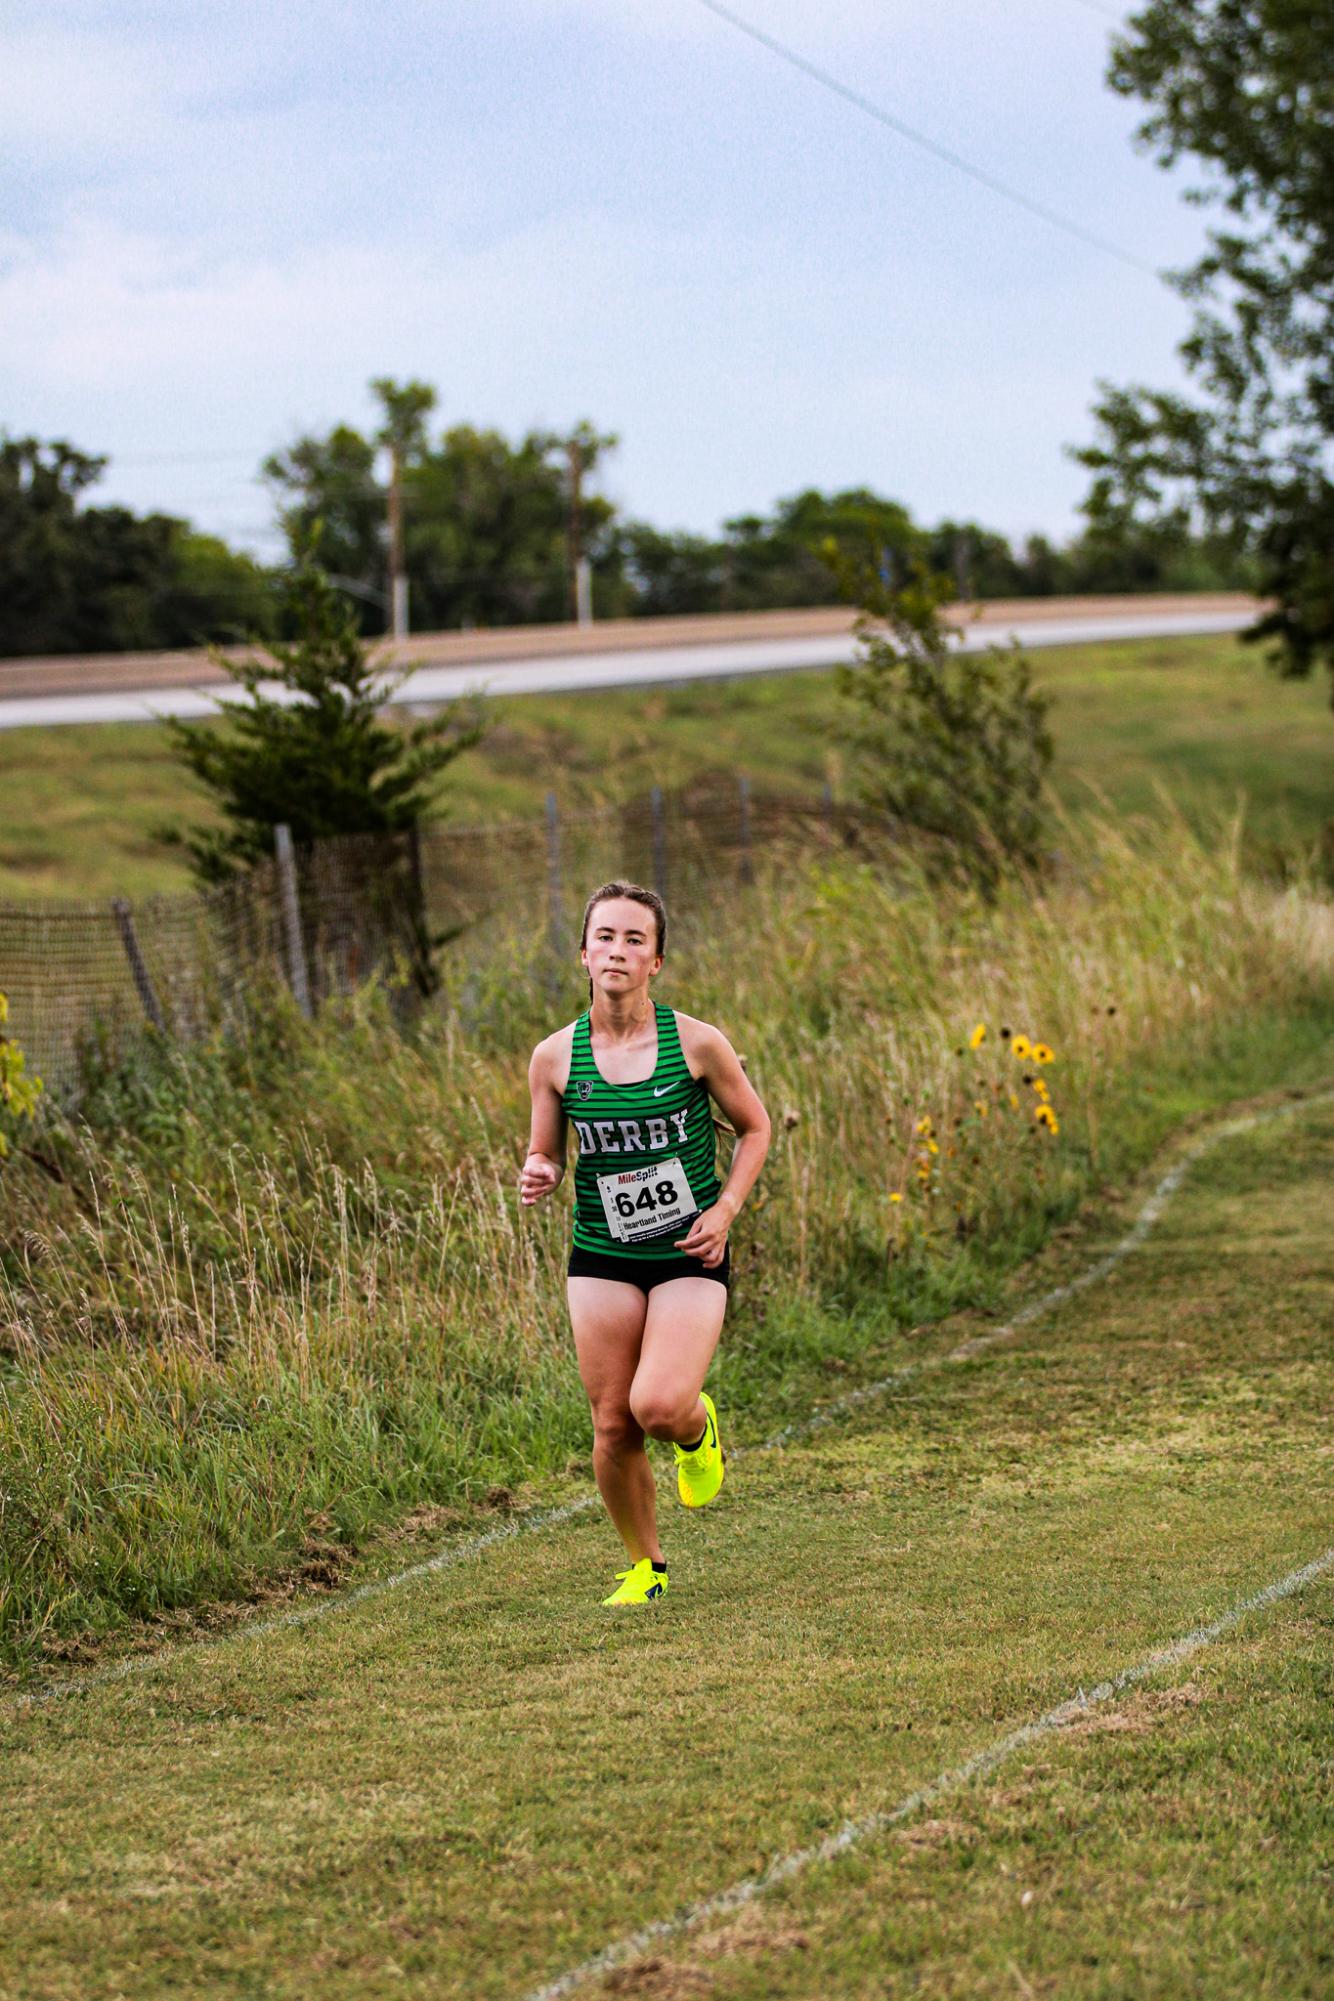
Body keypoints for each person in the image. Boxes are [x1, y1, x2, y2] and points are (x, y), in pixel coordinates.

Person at [520, 880, 771, 1606]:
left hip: (689, 1251)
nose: (618, 951)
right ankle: (646, 1566)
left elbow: (756, 1127)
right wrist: (540, 1170)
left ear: (657, 960)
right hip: (601, 1252)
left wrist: (725, 1209)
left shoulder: (696, 1042)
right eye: (605, 936)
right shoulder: (553, 1058)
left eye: (635, 939)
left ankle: (698, 1429)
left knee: (658, 1405)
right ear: (583, 953)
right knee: (611, 1421)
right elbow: (548, 1154)